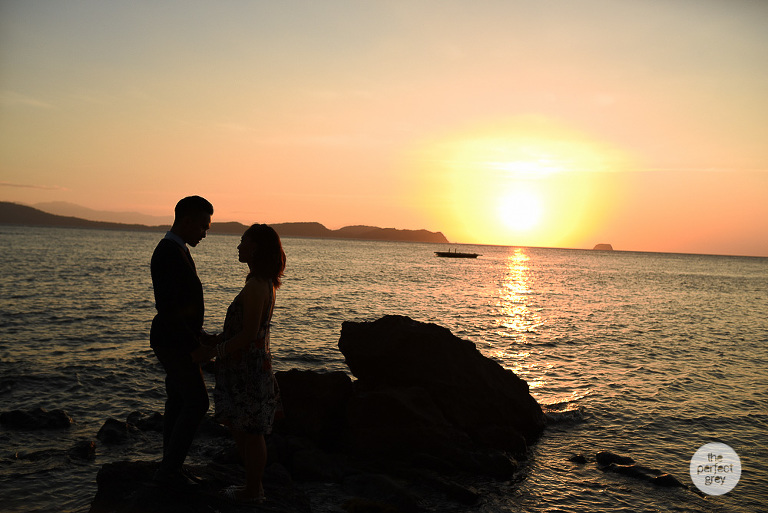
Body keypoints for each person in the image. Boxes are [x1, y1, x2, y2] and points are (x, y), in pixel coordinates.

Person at [193, 224, 285, 504]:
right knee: (244, 430)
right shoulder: (259, 282)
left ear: (255, 247)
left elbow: (249, 334)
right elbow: (244, 330)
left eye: (243, 240)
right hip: (247, 367)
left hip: (248, 369)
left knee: (252, 433)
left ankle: (253, 491)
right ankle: (253, 489)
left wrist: (213, 352)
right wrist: (216, 339)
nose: (238, 245)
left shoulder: (258, 285)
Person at [149, 195, 214, 488]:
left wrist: (200, 335)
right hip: (172, 342)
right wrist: (194, 346)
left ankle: (170, 465)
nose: (205, 232)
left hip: (177, 339)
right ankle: (170, 470)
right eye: (203, 226)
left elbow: (182, 307)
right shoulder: (167, 253)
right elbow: (169, 308)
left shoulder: (178, 249)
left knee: (177, 400)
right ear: (186, 221)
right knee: (197, 402)